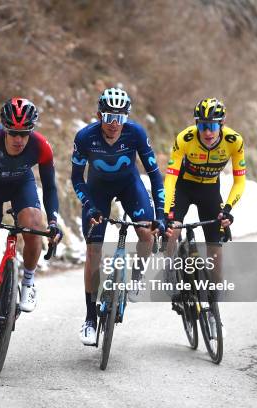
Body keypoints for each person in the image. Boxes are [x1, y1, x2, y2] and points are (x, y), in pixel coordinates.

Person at [0, 98, 63, 351]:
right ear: (5, 129)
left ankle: (28, 281)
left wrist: (53, 220)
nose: (19, 139)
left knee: (34, 224)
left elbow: (49, 187)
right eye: (14, 133)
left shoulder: (41, 147)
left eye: (24, 133)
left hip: (20, 186)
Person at [71, 88, 165, 346]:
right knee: (93, 252)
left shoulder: (135, 133)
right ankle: (90, 319)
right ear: (99, 115)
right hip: (97, 192)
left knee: (146, 232)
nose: (114, 124)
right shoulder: (85, 137)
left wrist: (161, 215)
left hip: (130, 186)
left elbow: (155, 174)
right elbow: (77, 178)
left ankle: (136, 274)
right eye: (109, 117)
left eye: (120, 118)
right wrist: (88, 205)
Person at [163, 97, 246, 337]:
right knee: (174, 228)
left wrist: (228, 209)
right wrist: (168, 211)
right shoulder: (185, 139)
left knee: (216, 251)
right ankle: (170, 269)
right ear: (196, 125)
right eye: (202, 125)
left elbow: (240, 180)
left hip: (210, 190)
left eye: (212, 125)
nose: (207, 131)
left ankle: (213, 308)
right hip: (184, 187)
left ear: (222, 124)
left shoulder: (234, 141)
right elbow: (170, 178)